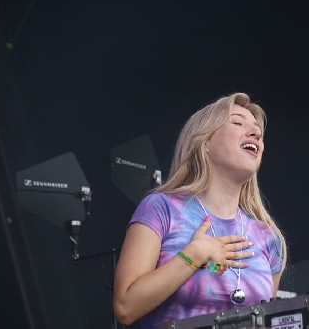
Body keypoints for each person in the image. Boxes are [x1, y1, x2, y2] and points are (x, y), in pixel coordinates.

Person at [113, 92, 287, 328]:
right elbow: (125, 308)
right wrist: (194, 255)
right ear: (205, 144)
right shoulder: (162, 208)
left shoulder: (268, 238)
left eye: (258, 131)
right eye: (237, 122)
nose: (255, 133)